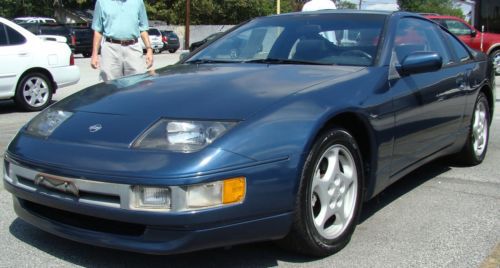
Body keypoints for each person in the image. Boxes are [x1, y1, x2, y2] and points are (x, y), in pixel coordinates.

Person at [91, 0, 153, 81]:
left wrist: (149, 49)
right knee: (110, 85)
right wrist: (94, 54)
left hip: (133, 48)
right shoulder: (102, 2)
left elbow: (143, 29)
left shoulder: (138, 2)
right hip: (110, 49)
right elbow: (98, 30)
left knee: (138, 84)